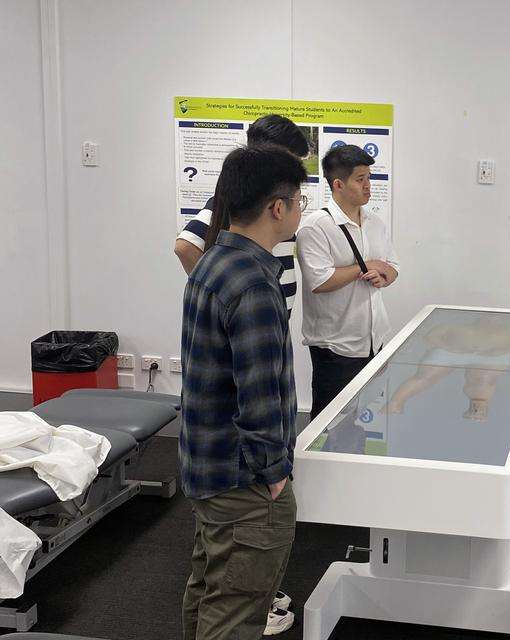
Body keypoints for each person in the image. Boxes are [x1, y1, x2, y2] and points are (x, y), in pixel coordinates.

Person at [179, 144, 305, 640]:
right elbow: (260, 396)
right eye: (298, 200)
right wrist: (274, 476)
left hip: (207, 466)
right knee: (235, 609)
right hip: (244, 480)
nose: (300, 210)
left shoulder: (211, 264)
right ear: (278, 207)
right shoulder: (253, 282)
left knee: (209, 589)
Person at [297, 144, 399, 420]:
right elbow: (320, 281)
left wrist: (383, 274)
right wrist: (365, 268)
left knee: (362, 416)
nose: (368, 186)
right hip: (335, 347)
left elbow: (393, 267)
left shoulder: (375, 222)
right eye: (360, 179)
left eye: (369, 178)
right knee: (328, 423)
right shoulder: (316, 226)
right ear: (338, 184)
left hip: (374, 340)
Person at [174, 114, 310, 317]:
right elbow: (185, 246)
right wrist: (221, 290)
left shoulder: (278, 202)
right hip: (254, 314)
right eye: (291, 160)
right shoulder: (239, 202)